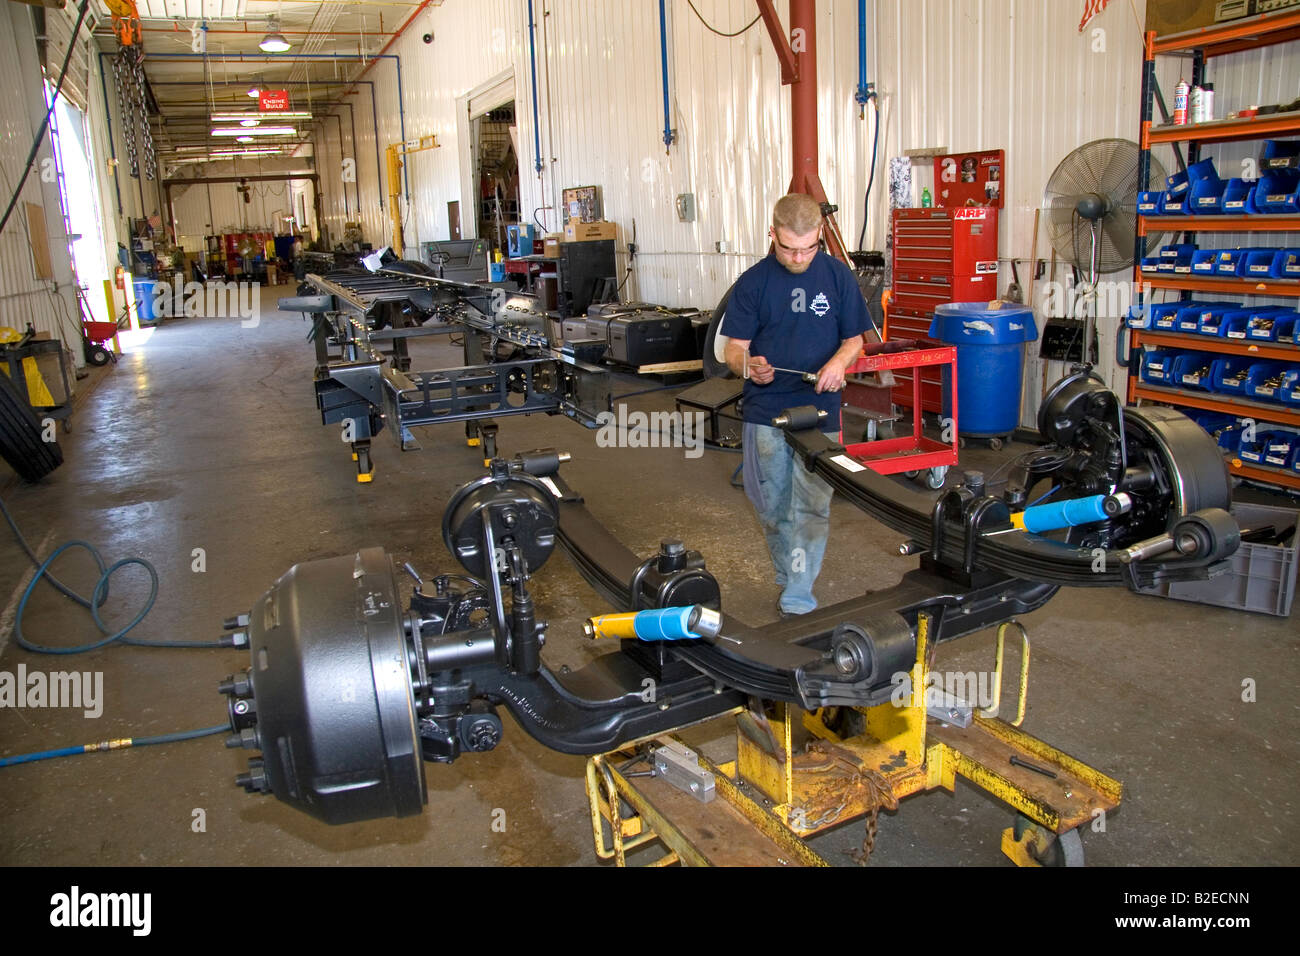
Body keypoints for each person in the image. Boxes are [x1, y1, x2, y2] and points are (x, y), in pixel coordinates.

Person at [722, 193, 879, 617]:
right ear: (772, 234)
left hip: (821, 408)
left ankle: (798, 591)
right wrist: (749, 366)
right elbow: (732, 350)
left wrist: (838, 363)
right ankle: (789, 570)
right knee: (772, 504)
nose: (799, 257)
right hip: (766, 410)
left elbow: (855, 341)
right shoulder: (754, 282)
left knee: (811, 502)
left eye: (809, 248)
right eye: (789, 248)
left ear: (819, 237)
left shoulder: (838, 277)